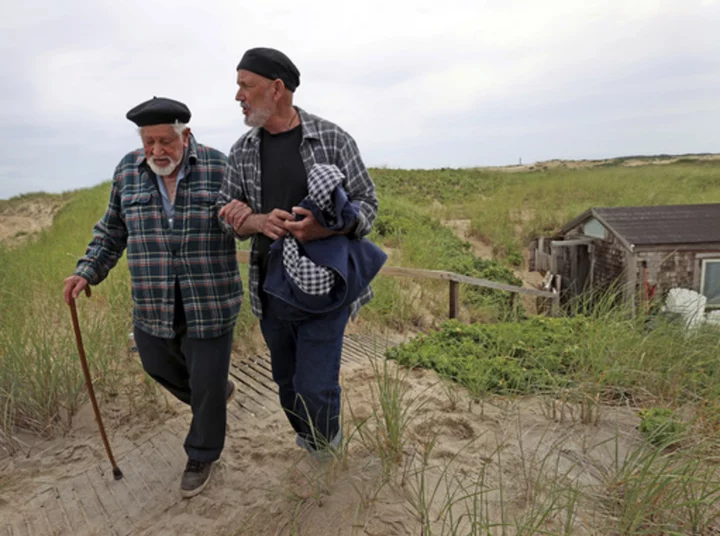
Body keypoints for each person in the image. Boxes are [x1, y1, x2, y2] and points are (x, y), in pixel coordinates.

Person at [63, 97, 242, 498]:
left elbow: (242, 221)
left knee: (207, 382)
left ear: (186, 136)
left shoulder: (219, 166)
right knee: (155, 362)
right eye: (149, 143)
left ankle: (202, 453)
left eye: (165, 141)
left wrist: (244, 222)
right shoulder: (127, 171)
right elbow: (112, 232)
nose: (157, 152)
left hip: (209, 298)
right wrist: (85, 271)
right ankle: (212, 396)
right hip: (153, 300)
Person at [217, 48, 379, 458]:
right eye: (238, 86)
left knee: (315, 383)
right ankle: (310, 437)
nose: (238, 96)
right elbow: (225, 215)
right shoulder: (240, 152)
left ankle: (327, 448)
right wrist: (253, 221)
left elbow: (368, 204)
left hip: (327, 286)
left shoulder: (333, 139)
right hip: (271, 288)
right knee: (286, 382)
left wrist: (324, 227)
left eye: (245, 86)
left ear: (277, 88)